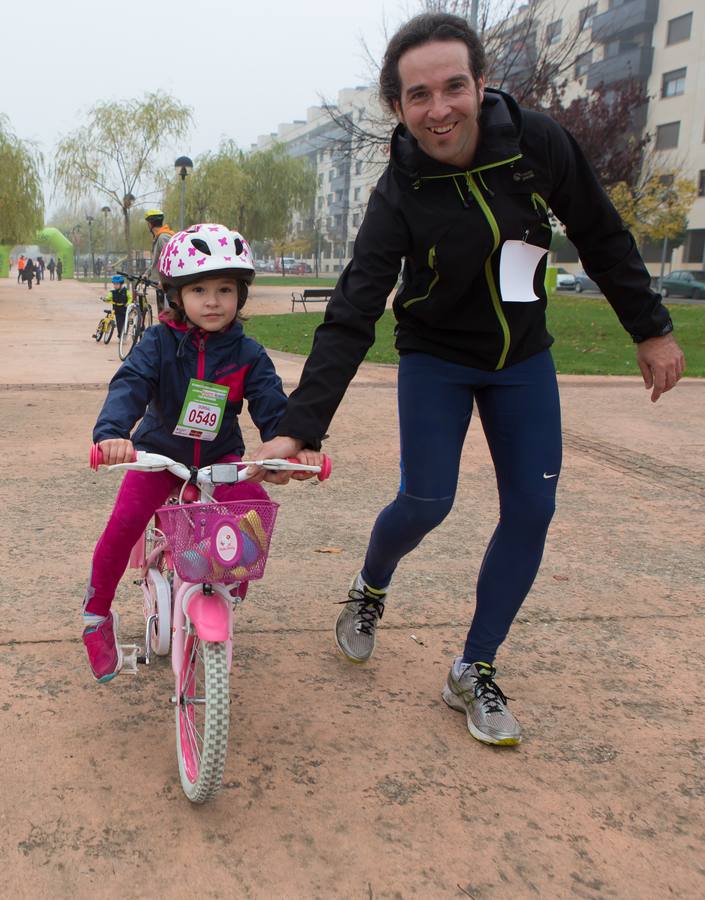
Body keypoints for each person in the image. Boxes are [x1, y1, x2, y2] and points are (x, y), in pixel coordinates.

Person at [252, 12, 686, 747]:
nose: (439, 107)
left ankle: (473, 669)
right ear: (398, 106)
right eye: (418, 95)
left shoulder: (536, 144)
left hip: (521, 357)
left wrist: (648, 327)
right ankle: (369, 587)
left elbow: (600, 229)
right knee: (426, 502)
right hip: (435, 359)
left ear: (481, 84)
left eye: (454, 86)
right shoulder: (397, 191)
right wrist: (300, 425)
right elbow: (355, 306)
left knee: (530, 509)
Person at [82, 223, 324, 683]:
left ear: (241, 294)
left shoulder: (249, 354)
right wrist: (113, 434)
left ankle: (226, 584)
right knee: (125, 520)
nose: (212, 301)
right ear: (176, 295)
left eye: (225, 289)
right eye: (198, 289)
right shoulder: (157, 343)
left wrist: (296, 449)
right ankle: (95, 617)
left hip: (219, 460)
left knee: (254, 514)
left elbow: (273, 405)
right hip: (160, 455)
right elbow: (130, 385)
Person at [144, 209, 175, 313]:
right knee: (163, 315)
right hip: (161, 285)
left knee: (166, 317)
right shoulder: (159, 237)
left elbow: (172, 259)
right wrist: (147, 273)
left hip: (166, 286)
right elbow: (157, 261)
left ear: (150, 224)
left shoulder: (163, 237)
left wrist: (164, 281)